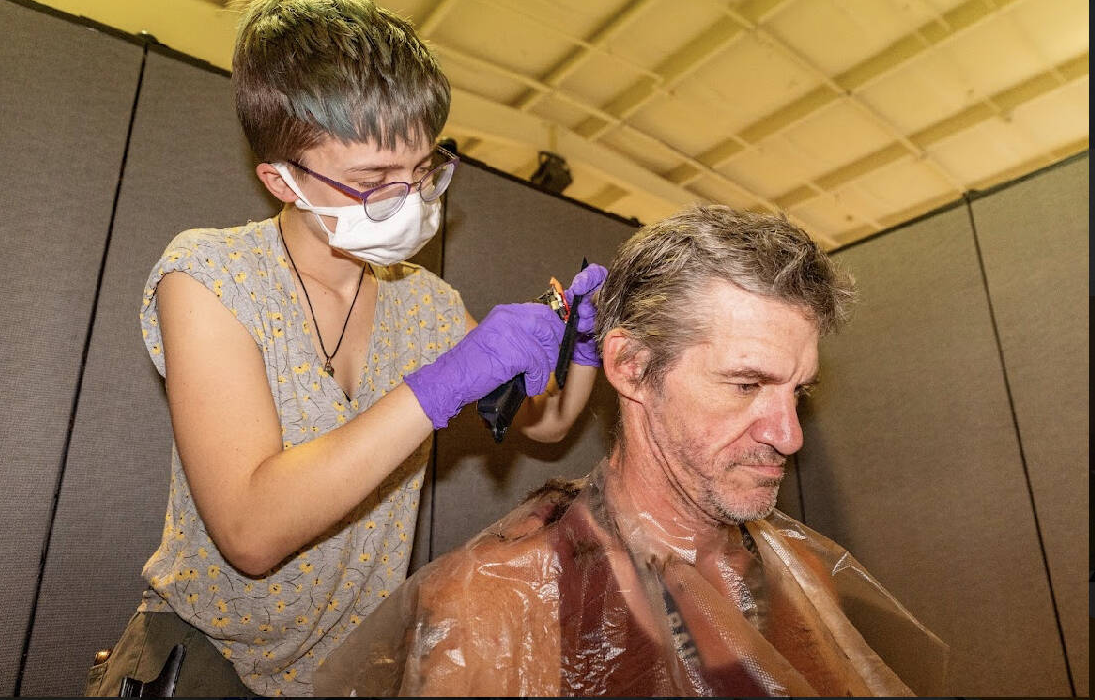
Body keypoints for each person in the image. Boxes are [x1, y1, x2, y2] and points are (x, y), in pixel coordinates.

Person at [86, 0, 606, 696]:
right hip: (200, 656)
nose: (415, 198)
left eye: (425, 170)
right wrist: (445, 382)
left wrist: (580, 345)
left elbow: (545, 424)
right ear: (282, 180)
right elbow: (250, 528)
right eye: (374, 181)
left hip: (342, 675)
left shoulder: (427, 305)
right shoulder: (210, 275)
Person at [313, 205, 950, 697]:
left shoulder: (804, 581)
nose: (789, 436)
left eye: (797, 391)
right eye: (746, 385)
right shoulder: (496, 607)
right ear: (632, 366)